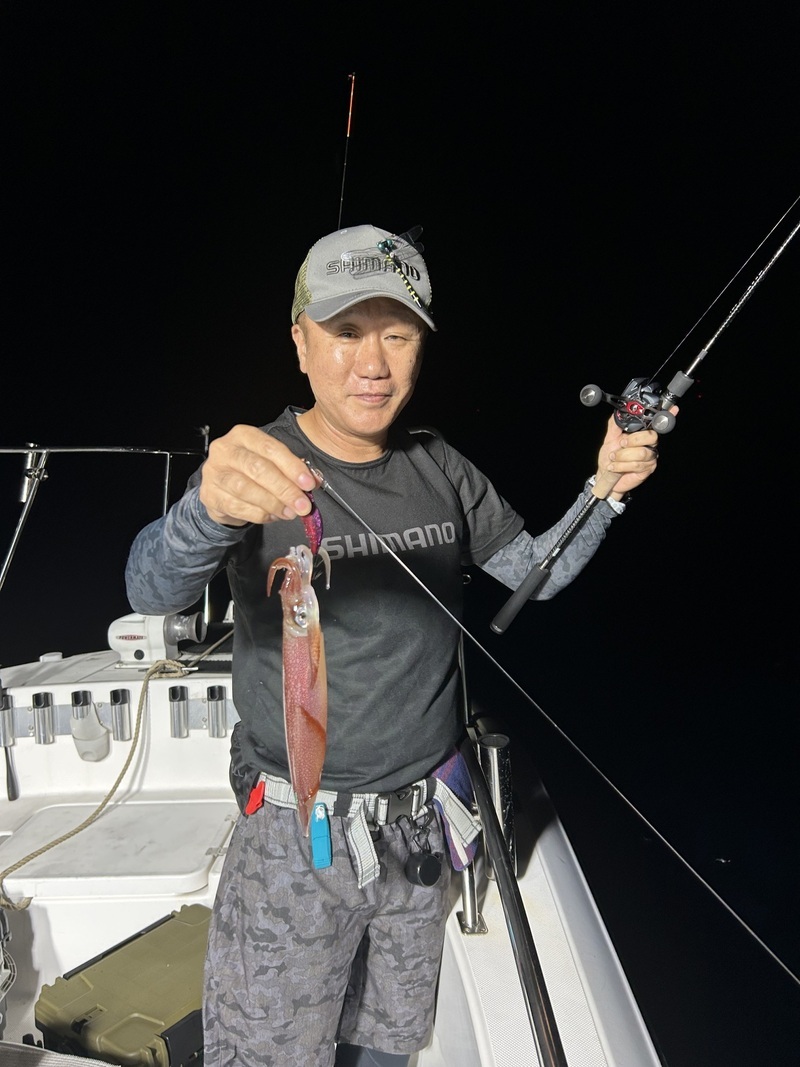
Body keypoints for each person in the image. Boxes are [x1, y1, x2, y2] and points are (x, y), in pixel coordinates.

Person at [124, 223, 666, 1067]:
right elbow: (150, 590)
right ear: (301, 343)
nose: (372, 363)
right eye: (346, 332)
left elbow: (539, 571)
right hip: (297, 835)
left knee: (388, 1041)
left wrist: (605, 488)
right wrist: (206, 510)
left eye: (398, 334)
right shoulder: (255, 465)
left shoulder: (440, 465)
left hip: (423, 828)